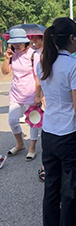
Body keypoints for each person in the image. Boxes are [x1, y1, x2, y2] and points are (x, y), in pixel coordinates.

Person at [37, 17, 76, 226]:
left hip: (48, 133)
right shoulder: (74, 66)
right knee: (70, 193)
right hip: (69, 136)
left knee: (51, 190)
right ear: (72, 38)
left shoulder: (44, 62)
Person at [1, 28, 40, 160]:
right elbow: (5, 72)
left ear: (25, 42)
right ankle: (20, 143)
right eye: (14, 42)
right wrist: (7, 58)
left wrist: (38, 95)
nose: (17, 45)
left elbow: (38, 77)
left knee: (33, 122)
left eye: (20, 42)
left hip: (30, 93)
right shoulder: (13, 54)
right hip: (16, 93)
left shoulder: (33, 54)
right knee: (12, 120)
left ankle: (32, 147)